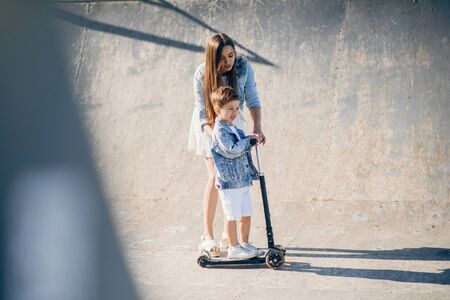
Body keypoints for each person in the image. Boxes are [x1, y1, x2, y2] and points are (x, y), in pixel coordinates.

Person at [188, 33, 266, 256]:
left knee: (235, 179)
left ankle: (229, 235)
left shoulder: (243, 67)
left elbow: (252, 98)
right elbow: (203, 112)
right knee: (216, 177)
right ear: (213, 59)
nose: (228, 61)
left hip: (233, 122)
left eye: (231, 55)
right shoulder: (202, 73)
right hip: (209, 127)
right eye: (222, 58)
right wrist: (216, 135)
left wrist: (257, 127)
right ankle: (207, 236)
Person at [210, 86, 264, 259]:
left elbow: (244, 146)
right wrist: (248, 141)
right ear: (218, 110)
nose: (235, 112)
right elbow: (232, 149)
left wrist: (253, 139)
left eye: (237, 108)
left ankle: (245, 244)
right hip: (229, 182)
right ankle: (234, 248)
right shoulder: (220, 131)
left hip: (242, 179)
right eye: (230, 109)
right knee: (232, 216)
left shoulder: (235, 128)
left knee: (246, 214)